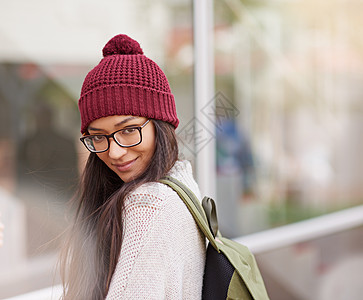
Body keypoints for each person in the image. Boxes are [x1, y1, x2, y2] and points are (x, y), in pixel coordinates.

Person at [60, 34, 206, 299]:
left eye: (128, 130)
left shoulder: (149, 204)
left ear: (160, 126)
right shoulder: (182, 185)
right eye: (98, 136)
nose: (114, 152)